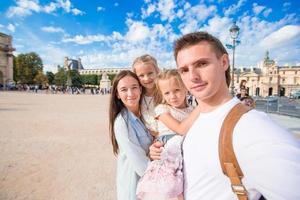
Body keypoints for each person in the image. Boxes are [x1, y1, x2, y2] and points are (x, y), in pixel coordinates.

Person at [150, 31, 300, 200]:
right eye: (184, 70)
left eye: (202, 64)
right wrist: (159, 150)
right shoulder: (197, 117)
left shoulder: (257, 132)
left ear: (224, 62)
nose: (193, 76)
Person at [136, 69, 200, 200]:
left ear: (186, 88)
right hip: (169, 154)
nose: (172, 96)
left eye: (176, 90)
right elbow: (180, 129)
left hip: (187, 154)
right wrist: (202, 105)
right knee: (171, 191)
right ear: (162, 94)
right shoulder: (162, 109)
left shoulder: (192, 110)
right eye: (167, 93)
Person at [109, 70, 153, 200]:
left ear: (140, 89)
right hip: (134, 189)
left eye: (134, 87)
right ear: (117, 94)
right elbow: (142, 167)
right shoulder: (122, 123)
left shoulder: (146, 115)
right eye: (124, 89)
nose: (130, 94)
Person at [132, 54, 160, 137]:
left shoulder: (165, 93)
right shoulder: (137, 96)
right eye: (141, 75)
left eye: (150, 73)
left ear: (157, 71)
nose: (146, 78)